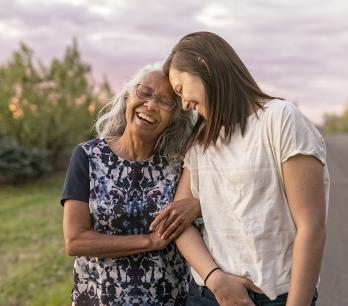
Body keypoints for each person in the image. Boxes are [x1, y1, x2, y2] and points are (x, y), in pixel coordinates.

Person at [152, 31, 330, 306]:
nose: (184, 104)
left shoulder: (280, 120)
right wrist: (215, 279)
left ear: (204, 64)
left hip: (276, 297)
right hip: (209, 296)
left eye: (180, 89)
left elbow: (311, 227)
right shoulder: (202, 142)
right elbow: (179, 223)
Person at [61, 63, 201, 305]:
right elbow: (75, 241)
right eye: (144, 93)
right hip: (100, 298)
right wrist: (150, 241)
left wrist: (197, 206)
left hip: (169, 299)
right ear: (128, 97)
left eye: (165, 102)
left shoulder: (181, 164)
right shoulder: (88, 156)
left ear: (175, 117)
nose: (150, 105)